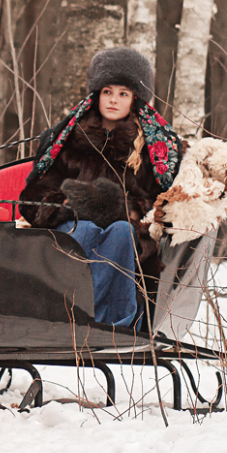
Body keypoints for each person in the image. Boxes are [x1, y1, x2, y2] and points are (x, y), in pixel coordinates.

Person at [18, 47, 183, 328]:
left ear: (135, 99)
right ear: (96, 94)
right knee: (83, 230)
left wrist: (126, 209)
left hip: (127, 230)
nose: (113, 100)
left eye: (123, 93)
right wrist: (66, 204)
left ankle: (113, 325)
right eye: (107, 91)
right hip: (70, 225)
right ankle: (74, 319)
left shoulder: (149, 149)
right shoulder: (69, 139)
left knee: (120, 233)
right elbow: (33, 196)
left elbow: (160, 202)